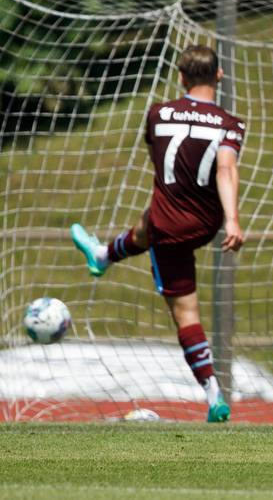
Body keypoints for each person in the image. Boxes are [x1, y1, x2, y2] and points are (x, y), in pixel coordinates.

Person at [70, 44, 245, 423]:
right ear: (219, 75)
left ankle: (214, 395)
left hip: (170, 228)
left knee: (186, 312)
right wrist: (231, 219)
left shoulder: (156, 113)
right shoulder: (231, 123)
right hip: (206, 221)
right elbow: (225, 170)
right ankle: (102, 255)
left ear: (180, 77)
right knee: (150, 222)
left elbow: (160, 157)